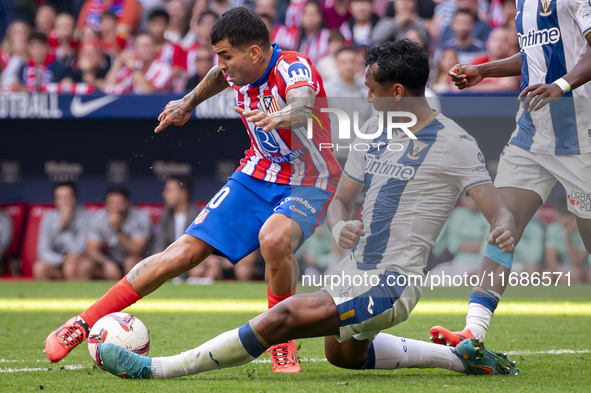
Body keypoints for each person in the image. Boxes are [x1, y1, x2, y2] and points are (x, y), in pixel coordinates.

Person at [97, 40, 520, 381]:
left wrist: (501, 229)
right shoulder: (375, 132)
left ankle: (158, 369)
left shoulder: (454, 143)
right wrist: (338, 227)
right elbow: (340, 198)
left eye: (372, 90)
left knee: (282, 317)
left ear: (396, 92)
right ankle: (462, 360)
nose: (367, 99)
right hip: (353, 271)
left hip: (392, 283)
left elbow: (498, 211)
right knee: (344, 357)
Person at [44, 7, 341, 375]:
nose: (220, 64)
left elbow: (302, 102)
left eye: (226, 55)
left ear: (254, 52)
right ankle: (83, 323)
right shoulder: (237, 69)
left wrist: (282, 116)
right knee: (180, 254)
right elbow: (218, 77)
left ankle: (281, 340)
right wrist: (188, 102)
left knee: (274, 239)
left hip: (311, 178)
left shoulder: (291, 67)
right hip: (258, 172)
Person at [431, 0, 591, 348]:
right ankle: (473, 332)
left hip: (580, 134)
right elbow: (537, 56)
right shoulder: (523, 4)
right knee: (502, 226)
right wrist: (484, 70)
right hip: (531, 133)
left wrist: (561, 86)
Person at [78, 187, 151, 280]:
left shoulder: (140, 218)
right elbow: (91, 249)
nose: (115, 208)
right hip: (110, 262)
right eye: (111, 203)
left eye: (119, 203)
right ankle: (84, 294)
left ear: (128, 203)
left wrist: (117, 229)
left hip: (136, 261)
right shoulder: (99, 218)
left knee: (130, 262)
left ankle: (131, 294)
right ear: (106, 205)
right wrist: (106, 261)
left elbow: (136, 251)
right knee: (85, 264)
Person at [33, 182, 90, 281]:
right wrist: (62, 260)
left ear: (74, 199)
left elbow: (78, 250)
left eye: (67, 197)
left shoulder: (85, 217)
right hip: (58, 261)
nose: (64, 202)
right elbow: (42, 251)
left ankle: (75, 296)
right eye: (60, 198)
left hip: (78, 261)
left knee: (72, 267)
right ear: (56, 201)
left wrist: (64, 226)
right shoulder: (48, 217)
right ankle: (48, 296)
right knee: (39, 268)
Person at [103, 32, 173, 94]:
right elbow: (108, 88)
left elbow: (150, 94)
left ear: (154, 47)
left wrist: (135, 69)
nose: (145, 49)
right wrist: (117, 63)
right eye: (141, 46)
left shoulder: (164, 69)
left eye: (147, 45)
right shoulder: (132, 66)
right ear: (136, 49)